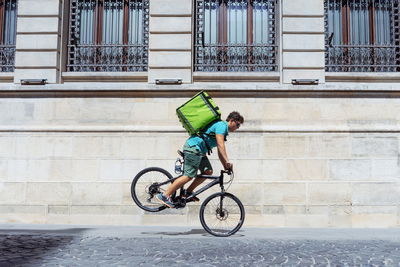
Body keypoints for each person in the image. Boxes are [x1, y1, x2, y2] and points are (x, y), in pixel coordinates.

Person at [156, 111, 244, 208]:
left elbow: (220, 152)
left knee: (208, 171)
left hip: (199, 151)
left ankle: (187, 192)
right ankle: (164, 195)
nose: (237, 128)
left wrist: (226, 167)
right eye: (238, 124)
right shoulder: (221, 126)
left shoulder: (223, 129)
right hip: (193, 148)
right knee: (188, 176)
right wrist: (227, 161)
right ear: (231, 120)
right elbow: (220, 145)